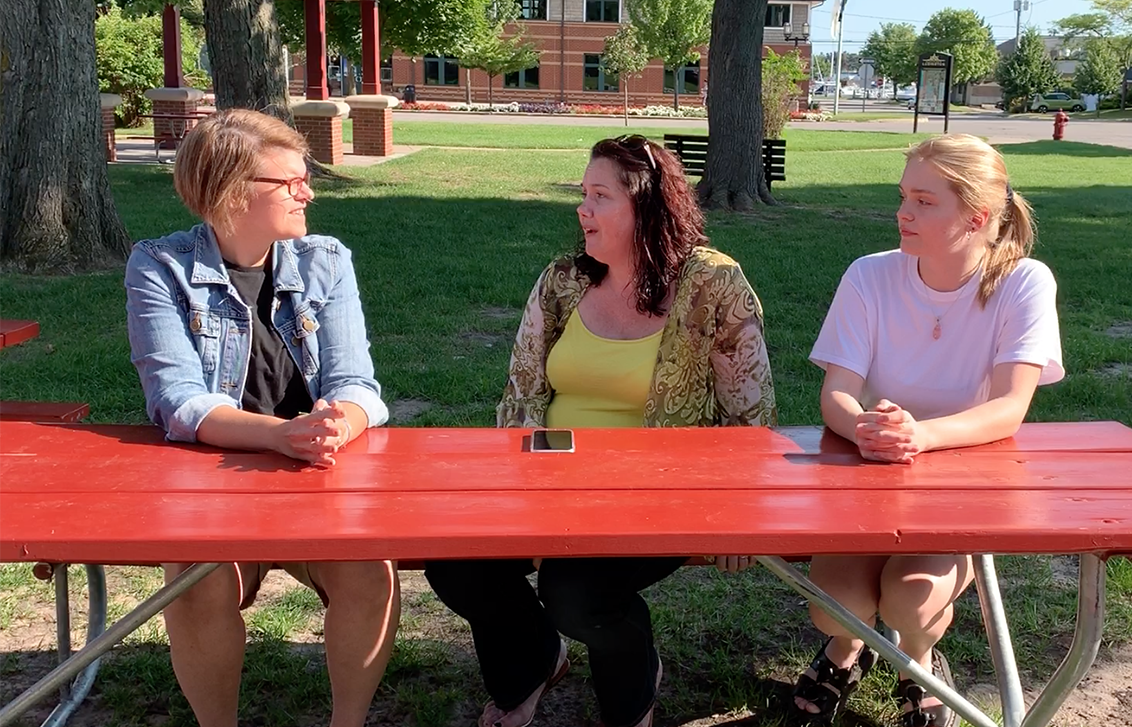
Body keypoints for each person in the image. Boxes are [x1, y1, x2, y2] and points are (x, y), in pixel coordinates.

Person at [425, 135, 776, 727]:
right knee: (455, 561)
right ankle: (533, 664)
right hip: (550, 487)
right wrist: (518, 499)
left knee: (575, 593)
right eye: (583, 194)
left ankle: (632, 695)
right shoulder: (564, 280)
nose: (582, 208)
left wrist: (736, 510)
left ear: (647, 205)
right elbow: (523, 395)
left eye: (600, 196)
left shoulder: (712, 284)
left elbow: (750, 413)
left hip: (657, 496)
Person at [124, 109, 398, 727]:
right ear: (231, 192)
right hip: (215, 484)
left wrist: (338, 424)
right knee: (197, 582)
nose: (309, 191)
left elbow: (358, 383)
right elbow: (180, 402)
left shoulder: (325, 259)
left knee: (369, 573)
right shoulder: (159, 268)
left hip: (316, 476)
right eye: (291, 181)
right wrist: (283, 435)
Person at [794, 134, 1064, 727]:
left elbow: (1010, 408)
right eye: (903, 197)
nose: (902, 213)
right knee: (835, 605)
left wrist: (920, 435)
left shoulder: (1024, 282)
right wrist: (866, 427)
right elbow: (835, 394)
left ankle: (917, 664)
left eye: (923, 201)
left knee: (910, 601)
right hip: (868, 474)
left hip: (962, 482)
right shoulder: (870, 276)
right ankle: (845, 650)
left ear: (977, 217)